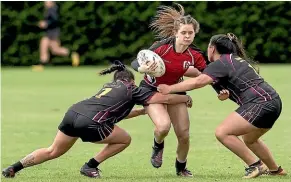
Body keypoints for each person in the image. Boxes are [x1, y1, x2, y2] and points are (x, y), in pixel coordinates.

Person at [2, 61, 193, 179]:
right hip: (91, 122)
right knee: (125, 139)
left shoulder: (109, 86)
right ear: (131, 81)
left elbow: (116, 113)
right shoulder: (133, 89)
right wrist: (185, 98)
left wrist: (141, 113)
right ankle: (90, 166)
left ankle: (14, 168)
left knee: (53, 150)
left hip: (73, 113)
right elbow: (164, 98)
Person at [157, 33, 287, 178]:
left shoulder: (221, 63)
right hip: (274, 102)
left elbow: (198, 81)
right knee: (250, 139)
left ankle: (255, 165)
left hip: (260, 103)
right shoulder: (235, 60)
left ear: (212, 49)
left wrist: (170, 88)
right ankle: (275, 170)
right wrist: (225, 93)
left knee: (222, 132)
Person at [131, 3, 207, 177]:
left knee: (184, 135)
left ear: (195, 33)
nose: (187, 36)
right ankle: (158, 145)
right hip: (151, 90)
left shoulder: (194, 55)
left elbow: (209, 74)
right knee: (163, 127)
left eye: (191, 33)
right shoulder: (161, 47)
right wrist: (143, 68)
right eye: (184, 33)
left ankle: (181, 168)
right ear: (175, 33)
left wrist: (221, 90)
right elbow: (136, 62)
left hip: (174, 91)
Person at [32, 1, 79, 71]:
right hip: (51, 32)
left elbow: (55, 20)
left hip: (52, 33)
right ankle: (72, 54)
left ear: (52, 2)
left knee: (44, 45)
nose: (45, 3)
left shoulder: (52, 9)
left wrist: (46, 23)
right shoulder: (51, 9)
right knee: (55, 50)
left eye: (47, 2)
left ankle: (41, 65)